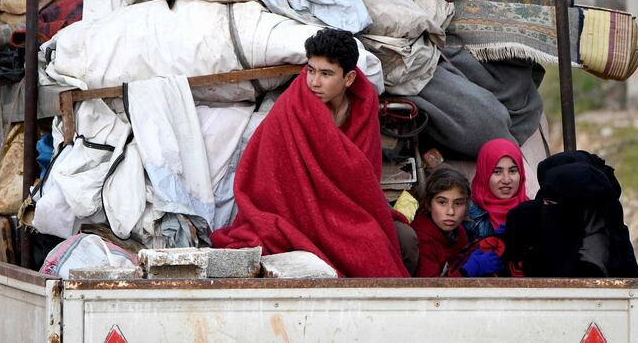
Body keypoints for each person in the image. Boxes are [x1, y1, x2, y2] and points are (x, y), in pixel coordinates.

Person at [211, 28, 409, 277]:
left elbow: (363, 180)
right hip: (297, 215)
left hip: (348, 210)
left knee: (404, 241)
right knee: (371, 247)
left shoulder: (363, 106)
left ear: (349, 79)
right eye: (311, 70)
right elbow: (270, 185)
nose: (314, 82)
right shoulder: (291, 109)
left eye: (326, 74)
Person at [505, 151, 638, 278]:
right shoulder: (533, 216)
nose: (545, 207)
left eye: (552, 203)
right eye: (546, 201)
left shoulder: (595, 244)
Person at [411, 166, 503, 277]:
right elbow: (431, 291)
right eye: (442, 202)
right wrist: (466, 272)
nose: (451, 212)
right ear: (428, 204)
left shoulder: (459, 233)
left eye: (458, 203)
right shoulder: (421, 240)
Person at [464, 138, 528, 241]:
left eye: (512, 171)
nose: (506, 180)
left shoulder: (533, 210)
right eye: (497, 172)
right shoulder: (466, 215)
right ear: (484, 173)